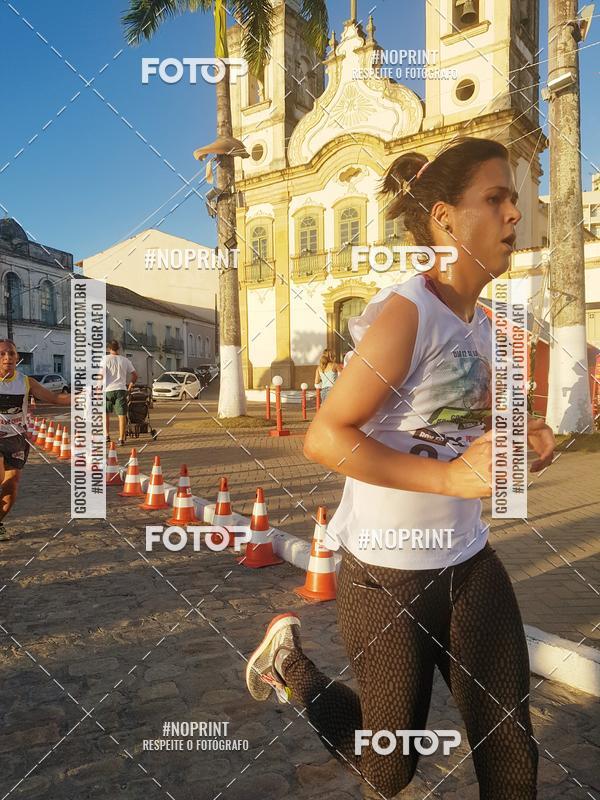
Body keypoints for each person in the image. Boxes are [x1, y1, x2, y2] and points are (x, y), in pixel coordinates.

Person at [245, 137, 555, 799]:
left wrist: (522, 441)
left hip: (469, 560)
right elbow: (325, 436)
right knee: (390, 765)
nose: (513, 215)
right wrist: (446, 478)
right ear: (445, 218)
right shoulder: (407, 314)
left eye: (514, 200)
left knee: (509, 750)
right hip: (385, 575)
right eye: (496, 199)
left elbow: (464, 433)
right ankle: (292, 664)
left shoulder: (487, 324)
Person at [0, 339, 71, 540]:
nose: (7, 358)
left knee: (11, 484)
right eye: (2, 354)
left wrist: (84, 397)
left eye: (11, 354)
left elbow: (56, 399)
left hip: (16, 439)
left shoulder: (25, 382)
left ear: (17, 358)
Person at [102, 341, 137, 446]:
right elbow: (135, 375)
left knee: (105, 413)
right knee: (122, 415)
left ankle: (106, 436)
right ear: (119, 349)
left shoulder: (105, 359)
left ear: (109, 349)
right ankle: (121, 439)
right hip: (121, 390)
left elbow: (101, 374)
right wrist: (130, 385)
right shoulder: (125, 360)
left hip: (107, 390)